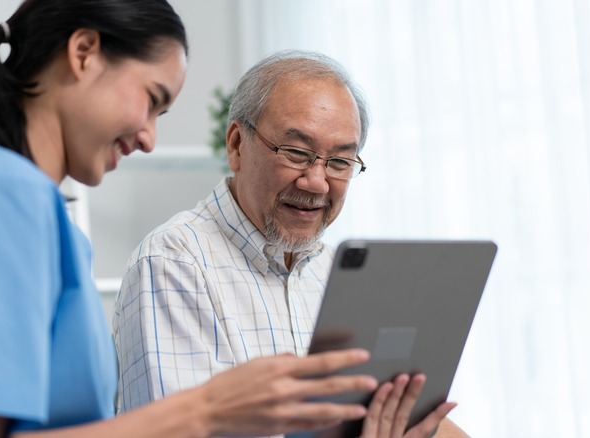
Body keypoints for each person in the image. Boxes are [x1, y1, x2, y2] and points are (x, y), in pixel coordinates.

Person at [0, 2, 432, 437]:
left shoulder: (29, 211)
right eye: (152, 99)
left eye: (337, 160)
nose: (150, 138)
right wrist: (211, 407)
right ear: (83, 53)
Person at [113, 50, 468, 437]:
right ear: (236, 145)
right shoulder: (173, 263)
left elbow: (407, 414)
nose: (316, 182)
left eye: (339, 163)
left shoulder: (338, 272)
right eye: (297, 153)